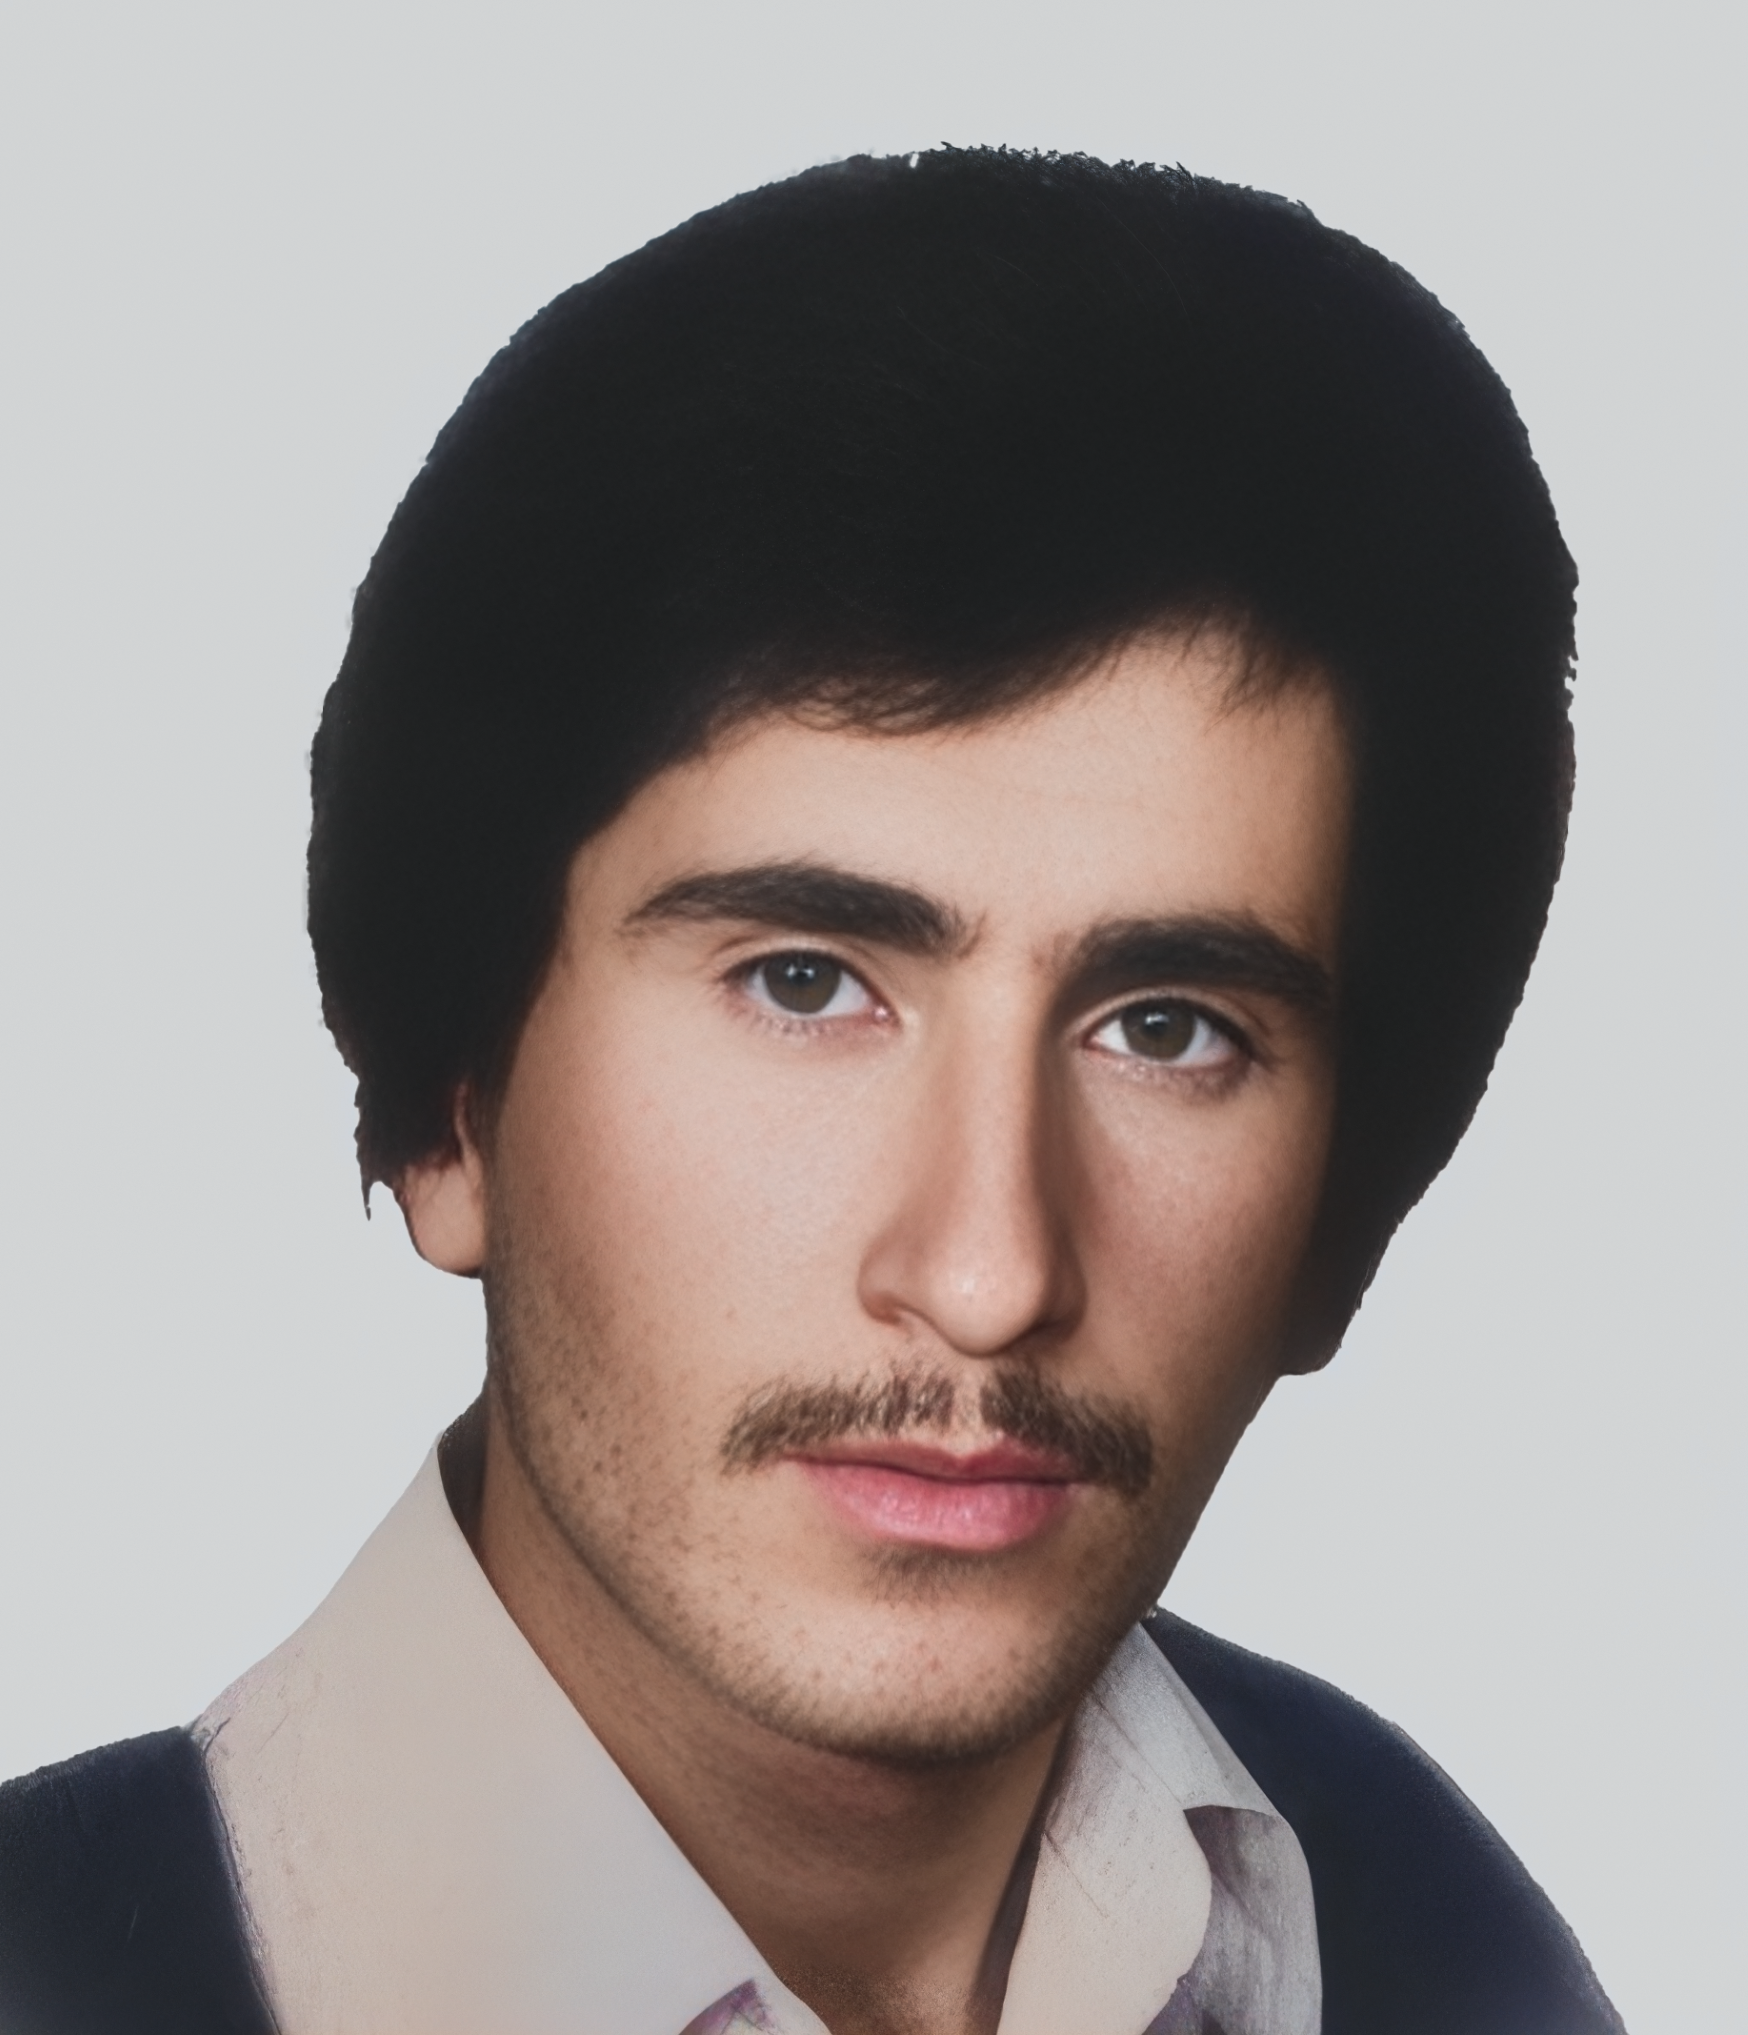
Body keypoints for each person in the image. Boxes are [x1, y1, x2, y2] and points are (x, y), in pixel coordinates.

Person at [0, 148, 1624, 2035]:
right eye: (804, 984)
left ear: (1341, 1219)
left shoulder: (1434, 1923)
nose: (990, 1273)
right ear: (451, 1116)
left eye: (1168, 1027)